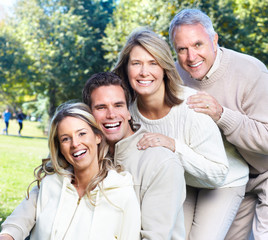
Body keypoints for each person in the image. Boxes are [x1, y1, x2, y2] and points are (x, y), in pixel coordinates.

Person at [0, 72, 186, 240]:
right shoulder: (74, 162)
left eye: (118, 105)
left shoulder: (160, 163)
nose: (111, 114)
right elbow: (32, 206)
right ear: (89, 115)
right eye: (101, 107)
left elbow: (155, 237)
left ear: (129, 110)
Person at [112, 28, 249, 240]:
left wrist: (173, 145)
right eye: (136, 63)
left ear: (165, 67)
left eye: (153, 63)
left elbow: (218, 172)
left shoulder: (191, 107)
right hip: (182, 181)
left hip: (222, 182)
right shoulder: (127, 112)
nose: (143, 72)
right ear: (126, 68)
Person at [169, 8, 268, 240]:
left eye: (198, 45)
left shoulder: (252, 72)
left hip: (264, 174)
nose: (191, 57)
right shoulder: (174, 75)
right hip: (226, 179)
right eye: (181, 49)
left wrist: (222, 115)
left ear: (214, 40)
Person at [0, 102, 141, 240]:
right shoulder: (49, 184)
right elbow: (17, 223)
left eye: (82, 134)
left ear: (97, 136)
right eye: (65, 139)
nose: (75, 144)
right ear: (60, 148)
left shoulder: (122, 194)